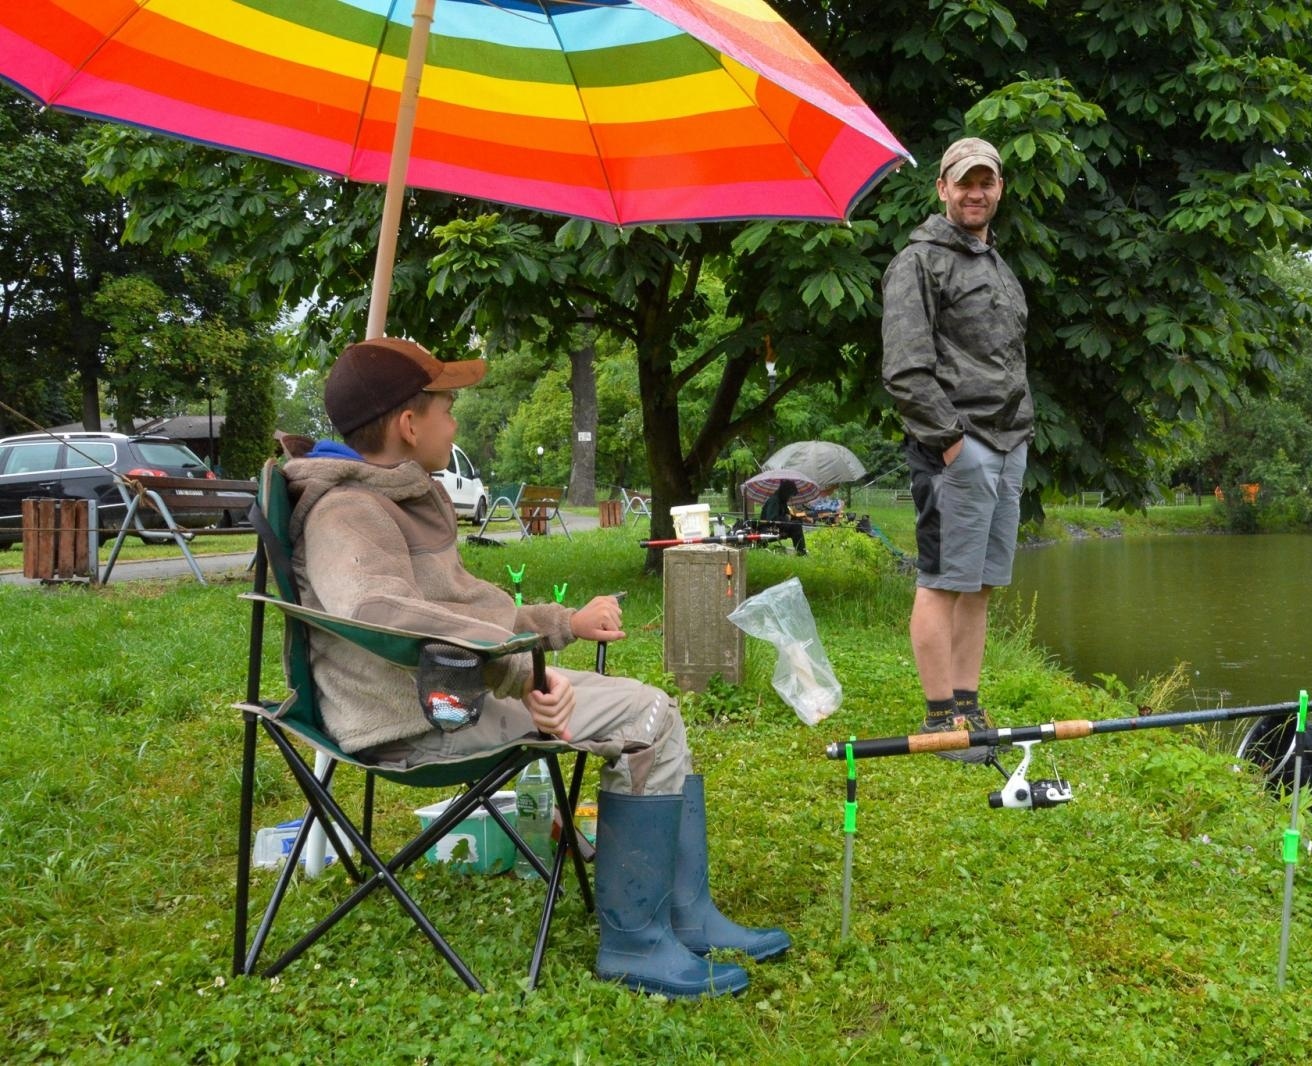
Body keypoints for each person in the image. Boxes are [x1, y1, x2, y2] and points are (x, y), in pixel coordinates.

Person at [282, 336, 788, 998]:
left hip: (451, 693)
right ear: (409, 424)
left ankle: (687, 916)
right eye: (447, 409)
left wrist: (563, 623)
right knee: (649, 715)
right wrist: (521, 674)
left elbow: (464, 609)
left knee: (649, 704)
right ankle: (637, 943)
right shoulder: (348, 511)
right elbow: (380, 614)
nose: (454, 423)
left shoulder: (392, 498)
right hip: (422, 718)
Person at [880, 136, 1033, 764]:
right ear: (942, 188)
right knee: (943, 581)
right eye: (963, 182)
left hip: (1010, 441)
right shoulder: (917, 262)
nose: (975, 193)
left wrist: (1017, 433)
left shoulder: (998, 265)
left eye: (985, 182)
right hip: (956, 446)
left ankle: (969, 705)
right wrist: (950, 444)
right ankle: (941, 718)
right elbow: (905, 371)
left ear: (999, 189)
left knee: (981, 585)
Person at [757, 478, 807, 554]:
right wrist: (786, 518)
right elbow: (772, 519)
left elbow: (788, 515)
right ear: (785, 492)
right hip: (768, 529)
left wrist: (800, 518)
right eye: (790, 495)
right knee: (796, 526)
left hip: (778, 527)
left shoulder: (782, 501)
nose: (790, 498)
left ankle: (801, 550)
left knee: (797, 523)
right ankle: (801, 552)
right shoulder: (774, 501)